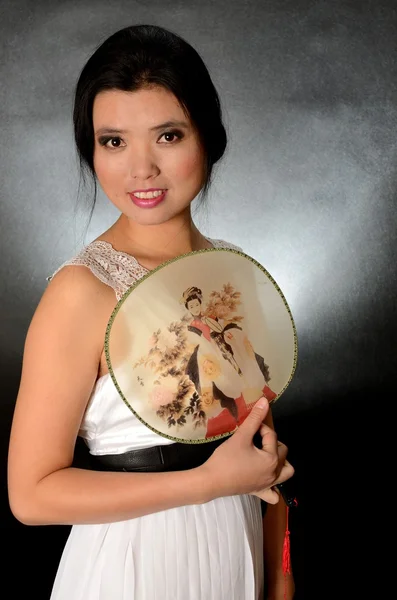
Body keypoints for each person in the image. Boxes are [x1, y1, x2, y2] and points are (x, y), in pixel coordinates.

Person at [7, 24, 296, 600]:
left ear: (208, 138)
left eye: (167, 135)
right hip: (136, 562)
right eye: (113, 141)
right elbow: (31, 496)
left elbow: (264, 454)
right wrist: (206, 483)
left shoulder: (235, 270)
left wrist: (279, 578)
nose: (140, 169)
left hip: (236, 555)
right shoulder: (81, 291)